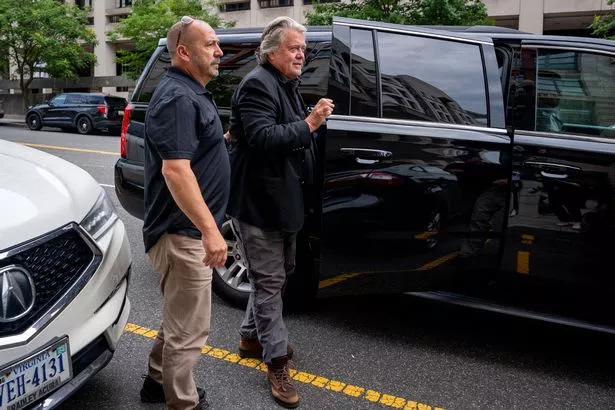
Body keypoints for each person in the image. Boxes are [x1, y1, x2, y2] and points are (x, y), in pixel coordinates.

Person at [226, 16, 334, 409]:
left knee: (278, 275)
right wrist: (311, 122)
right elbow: (263, 137)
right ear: (272, 51)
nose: (301, 54)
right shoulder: (257, 83)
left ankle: (250, 336)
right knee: (270, 283)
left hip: (283, 203)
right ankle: (276, 363)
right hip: (259, 206)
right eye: (294, 48)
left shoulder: (285, 84)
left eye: (303, 48)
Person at [139, 16, 229, 410]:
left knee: (179, 319)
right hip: (183, 234)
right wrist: (210, 231)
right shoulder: (178, 96)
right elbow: (175, 169)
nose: (219, 51)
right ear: (183, 51)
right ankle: (183, 403)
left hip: (183, 231)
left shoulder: (188, 92)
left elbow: (190, 151)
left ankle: (156, 383)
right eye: (210, 44)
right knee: (189, 331)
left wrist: (221, 142)